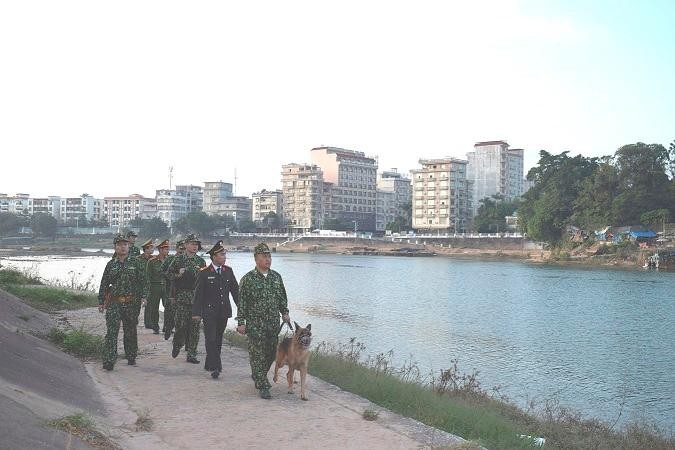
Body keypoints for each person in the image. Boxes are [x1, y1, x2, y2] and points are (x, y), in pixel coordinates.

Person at [236, 243, 290, 399]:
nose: (268, 259)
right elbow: (242, 303)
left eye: (269, 256)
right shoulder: (247, 279)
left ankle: (258, 374)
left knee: (270, 354)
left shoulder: (276, 277)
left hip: (273, 325)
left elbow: (282, 299)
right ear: (256, 259)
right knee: (257, 354)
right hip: (255, 325)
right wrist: (241, 322)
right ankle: (263, 385)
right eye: (264, 256)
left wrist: (285, 313)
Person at [97, 234, 147, 370]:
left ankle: (131, 356)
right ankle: (109, 360)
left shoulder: (137, 263)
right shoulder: (111, 264)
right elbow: (104, 284)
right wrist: (101, 301)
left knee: (130, 330)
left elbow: (144, 281)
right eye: (119, 245)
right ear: (115, 247)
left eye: (125, 244)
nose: (123, 247)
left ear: (128, 246)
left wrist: (144, 296)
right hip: (114, 303)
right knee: (112, 331)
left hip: (132, 302)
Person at [192, 241, 239, 379]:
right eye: (221, 254)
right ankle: (217, 366)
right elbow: (198, 295)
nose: (224, 256)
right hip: (209, 312)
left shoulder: (228, 271)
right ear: (213, 257)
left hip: (223, 312)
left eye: (224, 254)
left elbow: (235, 292)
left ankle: (209, 363)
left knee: (218, 339)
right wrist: (196, 313)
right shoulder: (204, 273)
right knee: (211, 338)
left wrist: (243, 309)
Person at [166, 233, 206, 363]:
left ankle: (192, 354)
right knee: (181, 326)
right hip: (182, 298)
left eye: (196, 244)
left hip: (196, 298)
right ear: (186, 245)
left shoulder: (201, 261)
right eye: (193, 244)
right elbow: (168, 274)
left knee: (195, 328)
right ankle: (177, 344)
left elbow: (205, 280)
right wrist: (178, 274)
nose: (195, 246)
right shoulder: (179, 259)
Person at [161, 239, 185, 340]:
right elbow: (163, 271)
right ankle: (167, 327)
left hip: (184, 291)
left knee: (181, 312)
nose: (182, 250)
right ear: (176, 248)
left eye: (184, 249)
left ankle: (179, 330)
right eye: (181, 249)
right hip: (171, 288)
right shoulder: (170, 259)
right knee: (169, 310)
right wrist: (176, 276)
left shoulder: (187, 260)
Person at [145, 239, 169, 334]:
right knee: (154, 308)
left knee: (168, 307)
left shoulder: (170, 261)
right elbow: (148, 276)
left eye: (168, 249)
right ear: (160, 250)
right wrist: (147, 290)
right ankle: (155, 326)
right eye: (165, 249)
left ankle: (167, 326)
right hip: (155, 287)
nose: (167, 251)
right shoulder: (152, 261)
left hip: (166, 287)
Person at [138, 239, 154, 328]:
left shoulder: (153, 259)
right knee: (136, 303)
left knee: (149, 303)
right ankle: (133, 321)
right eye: (151, 247)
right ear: (146, 249)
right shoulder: (138, 259)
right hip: (139, 284)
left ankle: (148, 323)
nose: (152, 249)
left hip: (149, 284)